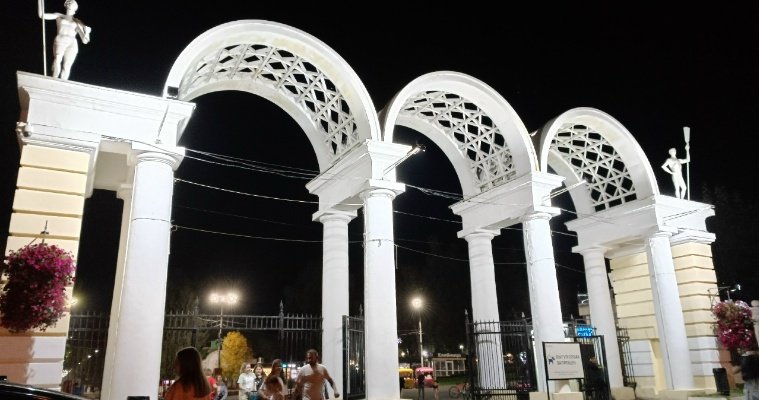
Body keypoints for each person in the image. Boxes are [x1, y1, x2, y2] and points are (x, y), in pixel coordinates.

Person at [38, 0, 92, 80]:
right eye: (69, 2)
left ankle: (63, 82)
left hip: (72, 43)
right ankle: (54, 79)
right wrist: (40, 1)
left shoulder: (77, 21)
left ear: (75, 8)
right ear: (66, 5)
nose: (70, 4)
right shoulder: (59, 16)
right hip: (61, 40)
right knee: (57, 60)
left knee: (67, 66)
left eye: (72, 3)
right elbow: (41, 15)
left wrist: (87, 33)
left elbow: (85, 40)